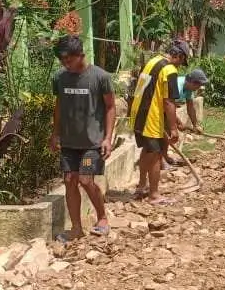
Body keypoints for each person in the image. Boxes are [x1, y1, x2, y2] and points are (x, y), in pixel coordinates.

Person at [49, 36, 116, 240]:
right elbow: (59, 106)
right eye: (62, 61)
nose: (65, 64)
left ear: (81, 55)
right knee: (69, 180)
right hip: (69, 143)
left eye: (69, 60)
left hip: (91, 143)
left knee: (86, 179)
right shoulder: (60, 78)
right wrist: (55, 133)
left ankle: (102, 217)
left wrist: (107, 138)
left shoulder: (100, 77)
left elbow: (111, 107)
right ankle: (76, 228)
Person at [129, 40, 189, 204]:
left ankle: (142, 186)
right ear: (179, 56)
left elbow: (146, 90)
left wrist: (173, 119)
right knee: (155, 155)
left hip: (138, 114)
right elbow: (168, 101)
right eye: (182, 62)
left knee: (147, 151)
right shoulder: (169, 70)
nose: (180, 66)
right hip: (151, 117)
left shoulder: (152, 62)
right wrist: (173, 128)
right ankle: (154, 195)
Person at [164, 68, 210, 168]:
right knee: (165, 133)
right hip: (159, 108)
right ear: (193, 82)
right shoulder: (177, 85)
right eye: (198, 85)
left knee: (168, 133)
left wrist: (196, 124)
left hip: (168, 109)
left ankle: (164, 157)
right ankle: (161, 160)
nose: (199, 88)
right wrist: (178, 122)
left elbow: (190, 107)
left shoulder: (188, 88)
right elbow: (167, 105)